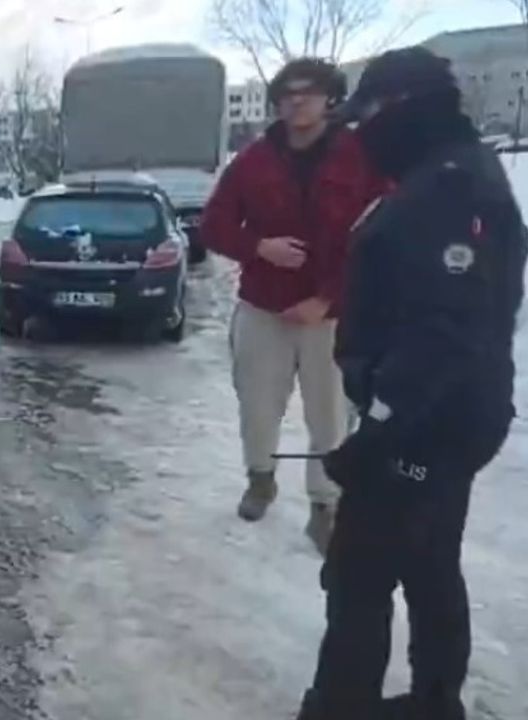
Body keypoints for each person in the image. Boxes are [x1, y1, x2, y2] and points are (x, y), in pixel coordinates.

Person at [298, 47, 525, 720]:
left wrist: (382, 431)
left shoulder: (449, 188)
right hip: (446, 413)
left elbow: (444, 330)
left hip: (427, 422)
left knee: (359, 572)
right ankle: (434, 703)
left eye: (364, 118)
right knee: (429, 563)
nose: (360, 135)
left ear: (398, 107)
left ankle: (343, 707)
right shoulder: (450, 172)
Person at [201, 58, 385, 553]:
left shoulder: (360, 158)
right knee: (257, 407)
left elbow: (380, 236)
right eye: (287, 93)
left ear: (330, 99)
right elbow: (213, 225)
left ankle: (324, 507)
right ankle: (260, 479)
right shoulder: (253, 161)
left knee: (330, 417)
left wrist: (328, 297)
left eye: (309, 91)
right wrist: (258, 247)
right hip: (264, 309)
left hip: (332, 315)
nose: (297, 100)